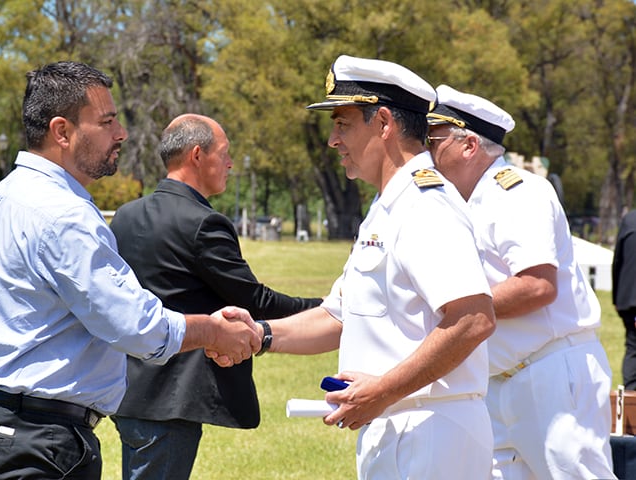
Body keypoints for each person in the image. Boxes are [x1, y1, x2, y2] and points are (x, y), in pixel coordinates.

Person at [0, 60, 260, 480]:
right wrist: (214, 331)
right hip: (39, 440)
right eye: (107, 121)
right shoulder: (65, 214)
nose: (121, 134)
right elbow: (134, 325)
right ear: (62, 131)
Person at [223, 55, 496, 479]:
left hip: (429, 431)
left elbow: (473, 319)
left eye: (343, 124)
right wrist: (259, 335)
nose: (333, 140)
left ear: (384, 123)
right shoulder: (388, 207)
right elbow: (339, 316)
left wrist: (383, 391)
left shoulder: (426, 206)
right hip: (398, 425)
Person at [109, 114, 323, 480]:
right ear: (196, 155)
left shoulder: (126, 216)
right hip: (171, 399)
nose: (230, 163)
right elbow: (255, 302)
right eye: (224, 153)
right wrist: (327, 309)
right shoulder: (204, 222)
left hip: (127, 389)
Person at [427, 84, 615, 479]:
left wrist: (460, 313)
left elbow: (537, 285)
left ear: (469, 144)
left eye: (434, 137)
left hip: (549, 373)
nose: (426, 148)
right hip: (498, 380)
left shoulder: (516, 191)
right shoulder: (458, 202)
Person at [614, 209, 636, 390]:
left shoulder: (629, 220)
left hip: (628, 300)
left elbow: (618, 261)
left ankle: (630, 397)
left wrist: (616, 298)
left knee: (633, 346)